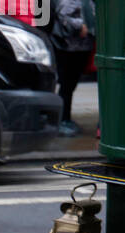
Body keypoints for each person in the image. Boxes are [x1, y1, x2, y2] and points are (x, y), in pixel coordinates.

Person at [50, 0, 95, 137]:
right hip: (70, 48)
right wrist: (80, 26)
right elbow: (64, 14)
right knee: (67, 85)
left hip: (79, 47)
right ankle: (62, 120)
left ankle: (64, 119)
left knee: (69, 86)